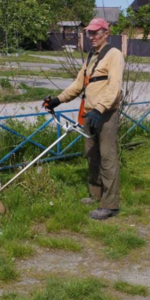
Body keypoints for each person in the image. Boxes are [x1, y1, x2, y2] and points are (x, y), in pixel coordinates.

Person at [43, 18, 125, 221]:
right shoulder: (91, 56)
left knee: (107, 157)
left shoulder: (114, 55)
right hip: (90, 114)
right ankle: (95, 195)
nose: (92, 36)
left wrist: (100, 109)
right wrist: (58, 100)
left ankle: (110, 205)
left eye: (96, 32)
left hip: (105, 114)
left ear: (106, 33)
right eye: (90, 33)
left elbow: (114, 87)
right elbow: (79, 84)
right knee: (92, 156)